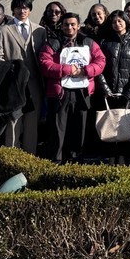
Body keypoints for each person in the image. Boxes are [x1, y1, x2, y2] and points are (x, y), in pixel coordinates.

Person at [38, 12, 106, 163]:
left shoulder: (88, 42)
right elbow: (45, 64)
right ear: (61, 26)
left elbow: (101, 61)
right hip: (59, 92)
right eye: (66, 24)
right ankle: (56, 161)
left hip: (83, 91)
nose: (69, 27)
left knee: (80, 128)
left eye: (72, 24)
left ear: (78, 26)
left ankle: (76, 160)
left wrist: (86, 71)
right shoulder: (52, 43)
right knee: (57, 128)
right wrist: (67, 70)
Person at [97, 10, 130, 164]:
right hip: (109, 95)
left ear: (126, 21)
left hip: (128, 96)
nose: (117, 24)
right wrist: (105, 89)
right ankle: (111, 164)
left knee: (126, 131)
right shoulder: (105, 42)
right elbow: (99, 68)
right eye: (114, 22)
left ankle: (126, 165)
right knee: (110, 130)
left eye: (120, 21)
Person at [0, 0, 46, 152]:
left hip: (34, 84)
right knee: (13, 122)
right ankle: (11, 157)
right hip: (14, 85)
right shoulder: (4, 30)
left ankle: (30, 158)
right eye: (18, 8)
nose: (22, 11)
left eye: (25, 7)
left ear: (30, 10)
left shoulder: (40, 30)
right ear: (13, 10)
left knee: (32, 124)